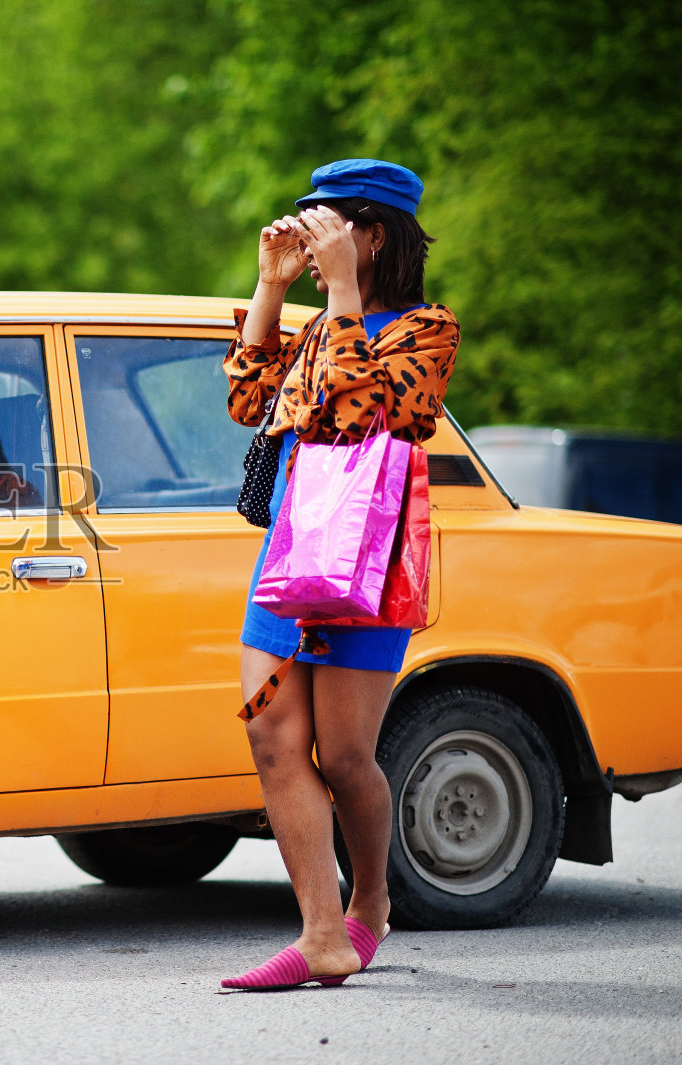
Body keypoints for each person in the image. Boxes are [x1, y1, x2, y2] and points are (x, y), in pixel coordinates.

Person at [220, 159, 460, 990]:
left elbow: (368, 412)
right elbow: (249, 402)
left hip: (366, 570)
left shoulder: (426, 330)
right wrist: (270, 288)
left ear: (374, 234)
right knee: (268, 733)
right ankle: (322, 932)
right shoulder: (319, 327)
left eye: (327, 229)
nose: (313, 244)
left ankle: (371, 901)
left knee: (348, 755)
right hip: (287, 563)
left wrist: (347, 299)